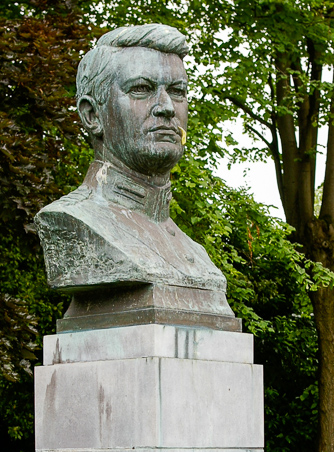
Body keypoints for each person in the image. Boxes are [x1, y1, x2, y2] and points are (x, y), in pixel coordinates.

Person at [34, 24, 239, 332]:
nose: (166, 107)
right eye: (141, 89)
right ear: (92, 115)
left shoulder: (196, 254)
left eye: (177, 91)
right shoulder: (72, 222)